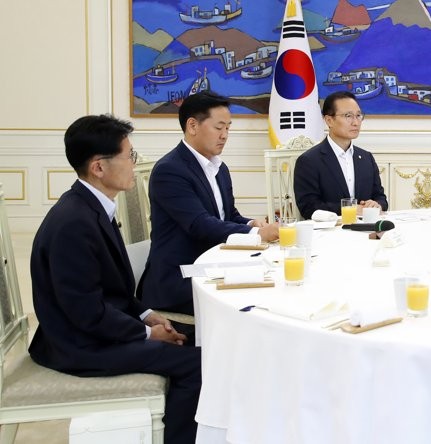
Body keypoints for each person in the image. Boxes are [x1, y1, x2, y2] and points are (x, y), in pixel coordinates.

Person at [29, 114, 201, 444]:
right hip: (78, 344)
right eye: (128, 155)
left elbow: (113, 290)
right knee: (199, 364)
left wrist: (147, 315)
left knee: (203, 335)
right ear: (99, 167)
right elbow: (86, 312)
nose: (134, 163)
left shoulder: (91, 207)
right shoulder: (74, 224)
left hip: (95, 327)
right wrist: (147, 334)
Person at [139, 91, 278, 315]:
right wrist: (258, 235)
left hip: (213, 265)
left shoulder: (219, 168)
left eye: (228, 128)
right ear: (192, 126)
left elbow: (228, 215)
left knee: (272, 279)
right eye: (219, 127)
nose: (225, 135)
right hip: (180, 277)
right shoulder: (170, 170)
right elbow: (200, 224)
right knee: (254, 299)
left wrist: (252, 224)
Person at [294, 91, 388, 219]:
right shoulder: (309, 161)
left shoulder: (366, 158)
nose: (356, 122)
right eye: (348, 116)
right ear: (329, 120)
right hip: (330, 229)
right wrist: (350, 210)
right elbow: (308, 207)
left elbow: (381, 198)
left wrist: (376, 205)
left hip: (367, 226)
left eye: (358, 115)